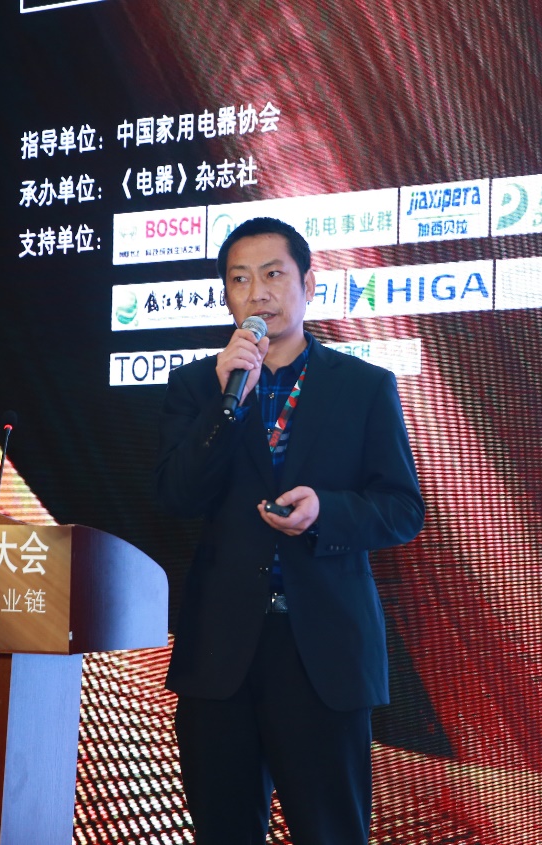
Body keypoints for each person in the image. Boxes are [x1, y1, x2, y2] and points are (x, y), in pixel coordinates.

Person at [154, 216, 425, 844]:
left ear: (308, 285)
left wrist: (325, 511)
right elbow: (175, 495)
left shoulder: (363, 386)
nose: (258, 293)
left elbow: (401, 508)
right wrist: (226, 408)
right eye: (240, 279)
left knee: (330, 832)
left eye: (273, 274)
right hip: (220, 651)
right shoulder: (197, 386)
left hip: (321, 651)